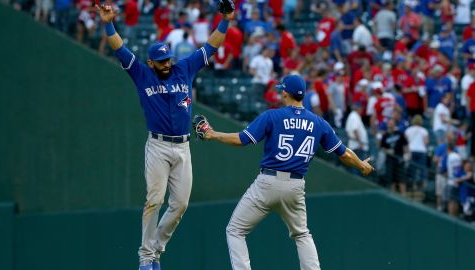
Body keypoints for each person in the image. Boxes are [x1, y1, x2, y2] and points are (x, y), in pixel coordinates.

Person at [96, 2, 235, 270]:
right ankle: (146, 258)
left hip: (183, 147)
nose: (166, 63)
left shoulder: (184, 68)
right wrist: (107, 23)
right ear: (151, 62)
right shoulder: (142, 73)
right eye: (160, 61)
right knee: (154, 200)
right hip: (158, 146)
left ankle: (155, 250)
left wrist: (226, 20)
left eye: (167, 58)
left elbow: (211, 46)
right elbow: (119, 48)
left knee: (180, 204)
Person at [194, 74, 374, 270]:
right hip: (295, 186)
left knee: (235, 230)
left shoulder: (272, 115)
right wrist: (361, 165)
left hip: (267, 182)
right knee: (302, 234)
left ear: (286, 93)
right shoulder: (319, 122)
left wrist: (211, 134)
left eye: (282, 90)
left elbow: (241, 139)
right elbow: (344, 154)